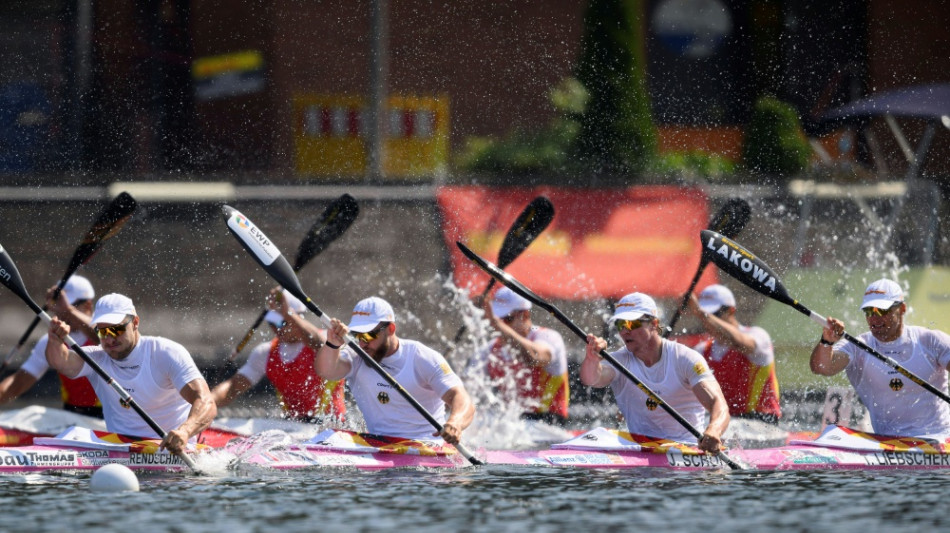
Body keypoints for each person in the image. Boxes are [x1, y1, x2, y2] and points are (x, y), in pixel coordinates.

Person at [45, 293, 216, 453]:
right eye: (102, 332)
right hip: (120, 447)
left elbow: (206, 401)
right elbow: (61, 362)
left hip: (172, 448)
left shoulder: (166, 353)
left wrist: (185, 432)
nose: (109, 339)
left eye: (116, 330)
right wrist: (54, 340)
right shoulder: (96, 359)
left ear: (135, 323)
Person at [580, 292, 730, 453]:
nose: (624, 331)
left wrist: (714, 430)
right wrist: (592, 358)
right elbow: (591, 380)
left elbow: (718, 403)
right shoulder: (620, 361)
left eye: (631, 324)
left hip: (687, 449)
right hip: (639, 450)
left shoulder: (685, 358)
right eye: (620, 325)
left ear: (653, 323)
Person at [315, 296, 475, 445]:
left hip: (427, 446)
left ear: (390, 329)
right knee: (329, 436)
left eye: (369, 335)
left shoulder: (421, 357)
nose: (363, 343)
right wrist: (332, 343)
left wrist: (455, 423)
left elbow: (460, 397)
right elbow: (326, 371)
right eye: (357, 335)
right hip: (380, 445)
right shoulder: (356, 355)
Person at [811, 279, 950, 438]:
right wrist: (826, 341)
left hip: (939, 440)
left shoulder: (930, 341)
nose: (874, 319)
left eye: (882, 311)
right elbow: (821, 367)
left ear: (902, 309)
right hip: (887, 444)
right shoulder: (859, 347)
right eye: (869, 312)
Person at [212, 288, 345, 422]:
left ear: (298, 317)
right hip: (294, 426)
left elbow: (317, 343)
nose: (277, 328)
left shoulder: (328, 342)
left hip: (332, 427)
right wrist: (207, 402)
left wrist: (288, 313)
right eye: (272, 322)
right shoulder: (265, 353)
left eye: (283, 322)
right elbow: (233, 387)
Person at [0, 275, 103, 417]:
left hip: (109, 419)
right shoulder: (51, 340)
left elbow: (104, 337)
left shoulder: (109, 334)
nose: (59, 311)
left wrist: (69, 311)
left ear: (88, 305)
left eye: (67, 305)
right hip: (71, 417)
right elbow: (18, 383)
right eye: (58, 305)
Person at [683, 284, 781, 424]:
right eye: (704, 316)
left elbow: (738, 343)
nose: (708, 321)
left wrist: (701, 313)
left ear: (731, 311)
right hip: (725, 421)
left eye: (714, 315)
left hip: (762, 421)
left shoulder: (758, 336)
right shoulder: (701, 350)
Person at [474, 287, 569, 424]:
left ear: (524, 315)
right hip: (513, 427)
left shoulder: (547, 336)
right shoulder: (490, 348)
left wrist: (497, 323)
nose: (498, 326)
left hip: (550, 424)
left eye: (506, 319)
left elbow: (533, 358)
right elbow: (467, 389)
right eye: (496, 319)